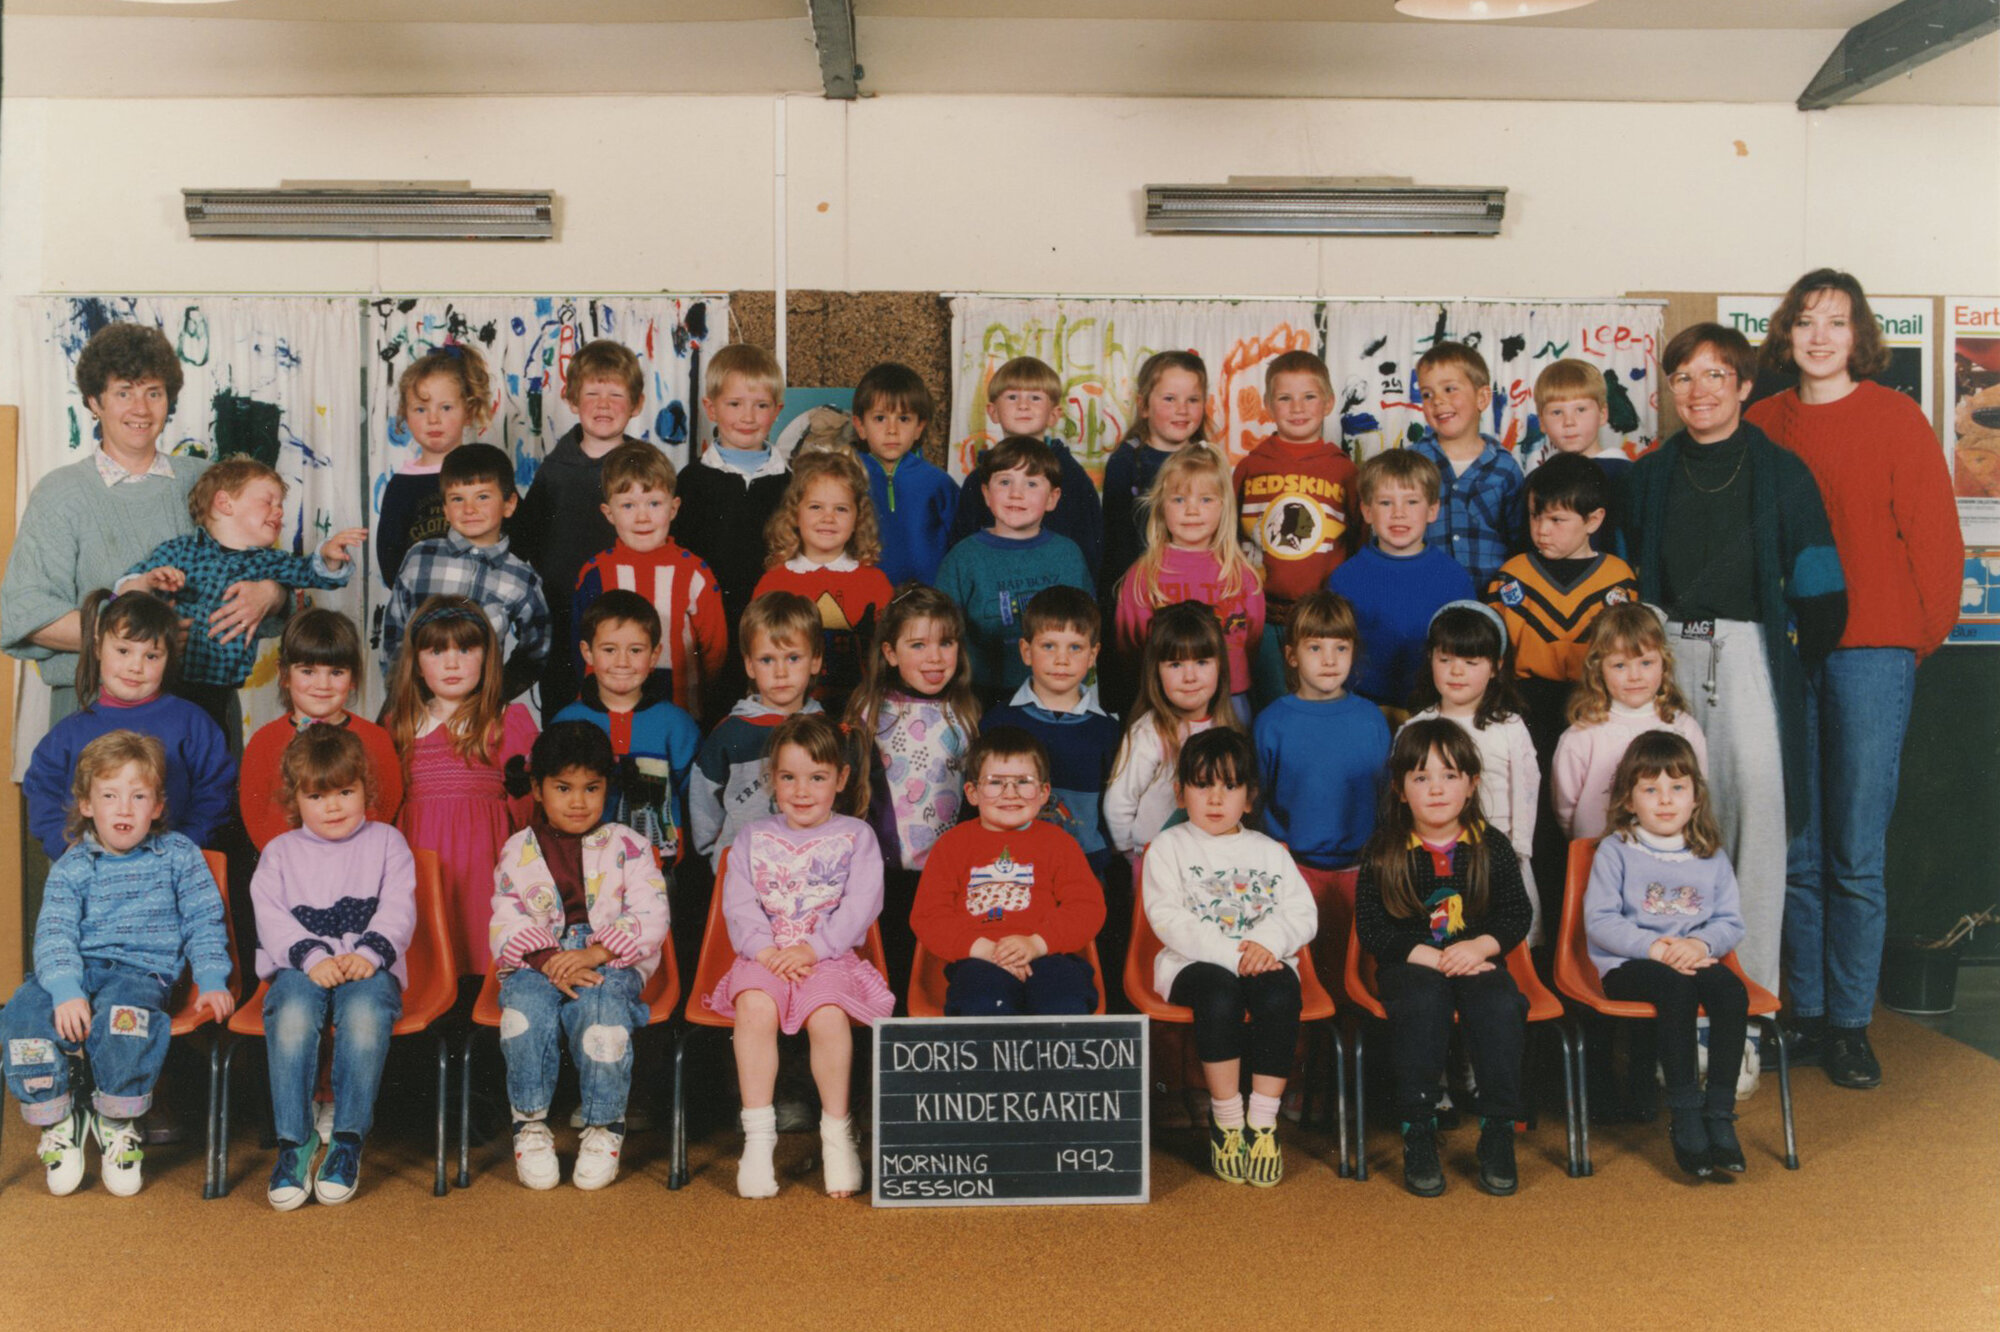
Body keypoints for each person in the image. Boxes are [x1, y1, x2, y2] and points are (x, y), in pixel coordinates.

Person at [1747, 269, 1965, 1088]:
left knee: (1855, 850)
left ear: (1858, 336)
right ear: (1787, 334)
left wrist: (1911, 641)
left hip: (1873, 648)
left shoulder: (1895, 417)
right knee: (1796, 845)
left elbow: (1938, 544)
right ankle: (1802, 1012)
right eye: (1805, 321)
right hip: (1784, 650)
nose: (1818, 336)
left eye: (1836, 323)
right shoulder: (1763, 422)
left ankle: (1848, 1022)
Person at [1623, 322, 1846, 1010]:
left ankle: (1743, 1012)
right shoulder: (1651, 474)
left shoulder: (1782, 471)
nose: (1698, 391)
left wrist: (1782, 662)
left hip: (1750, 651)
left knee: (1755, 829)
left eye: (1715, 375)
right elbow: (1629, 577)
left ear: (1745, 386)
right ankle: (1670, 1012)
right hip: (1663, 653)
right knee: (1661, 823)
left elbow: (1822, 592)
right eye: (1684, 376)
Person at [1, 322, 285, 728]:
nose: (140, 408)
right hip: (95, 714)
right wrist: (149, 634)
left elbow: (280, 588)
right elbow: (25, 614)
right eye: (123, 393)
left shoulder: (209, 481)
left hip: (200, 713)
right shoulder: (60, 493)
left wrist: (269, 593)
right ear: (94, 401)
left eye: (153, 393)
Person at [0, 731, 233, 1197]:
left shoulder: (178, 857)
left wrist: (211, 977)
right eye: (110, 795)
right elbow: (54, 932)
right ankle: (59, 1119)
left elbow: (205, 921)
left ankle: (115, 1119)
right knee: (22, 1017)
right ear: (87, 804)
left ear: (158, 806)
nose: (124, 809)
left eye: (138, 796)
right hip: (75, 968)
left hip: (140, 973)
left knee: (127, 1022)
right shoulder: (73, 864)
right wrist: (65, 988)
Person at [707, 713, 894, 1199]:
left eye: (817, 778)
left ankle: (837, 1135)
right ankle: (758, 1140)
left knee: (828, 1014)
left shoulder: (857, 836)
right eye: (789, 777)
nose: (802, 791)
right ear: (773, 779)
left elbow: (861, 905)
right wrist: (767, 951)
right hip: (765, 955)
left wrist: (812, 947)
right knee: (754, 1007)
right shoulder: (753, 837)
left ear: (841, 779)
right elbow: (740, 904)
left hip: (827, 956)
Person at [1355, 719, 1532, 1199]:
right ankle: (1418, 1129)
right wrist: (1429, 959)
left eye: (1450, 776)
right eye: (1420, 778)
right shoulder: (1384, 849)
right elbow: (1373, 928)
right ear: (1400, 789)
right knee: (1422, 1006)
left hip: (1477, 961)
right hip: (1412, 966)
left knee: (1501, 1005)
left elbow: (1517, 913)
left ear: (1472, 784)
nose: (1436, 789)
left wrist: (1480, 947)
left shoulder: (1490, 845)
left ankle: (1497, 1129)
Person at [490, 723, 670, 1192]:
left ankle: (603, 1127)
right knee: (524, 1015)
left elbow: (651, 912)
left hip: (609, 960)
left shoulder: (628, 845)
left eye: (592, 788)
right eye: (563, 788)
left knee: (602, 1015)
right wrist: (548, 958)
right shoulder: (517, 849)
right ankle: (528, 1124)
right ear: (537, 788)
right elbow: (505, 914)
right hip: (538, 961)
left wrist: (597, 951)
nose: (578, 802)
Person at [251, 725, 416, 1209]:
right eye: (319, 795)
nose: (335, 805)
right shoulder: (280, 853)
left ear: (367, 789)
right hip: (300, 965)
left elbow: (399, 908)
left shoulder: (387, 842)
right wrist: (313, 958)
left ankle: (346, 1140)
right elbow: (271, 917)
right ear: (296, 800)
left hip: (370, 964)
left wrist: (368, 954)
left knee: (365, 1019)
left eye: (347, 791)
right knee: (294, 1018)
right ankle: (295, 1142)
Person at [1143, 728, 1316, 1187]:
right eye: (1203, 785)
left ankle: (1262, 1121)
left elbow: (1302, 912)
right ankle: (1227, 1122)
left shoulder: (1269, 852)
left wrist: (1269, 944)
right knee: (1218, 996)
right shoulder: (1169, 847)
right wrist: (1232, 955)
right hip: (1191, 965)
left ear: (1250, 797)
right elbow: (1168, 918)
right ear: (1181, 792)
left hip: (1264, 961)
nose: (1216, 799)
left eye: (1230, 786)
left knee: (1280, 993)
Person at [1584, 731, 1749, 1179]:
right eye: (1650, 789)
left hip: (1696, 958)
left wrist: (1699, 945)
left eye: (1677, 788)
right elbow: (1600, 921)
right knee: (1674, 992)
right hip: (1628, 963)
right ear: (1629, 799)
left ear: (1696, 798)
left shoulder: (1709, 855)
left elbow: (1731, 921)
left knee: (1732, 993)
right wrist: (1656, 947)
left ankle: (1719, 1112)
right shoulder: (1617, 850)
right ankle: (1685, 1113)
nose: (1664, 800)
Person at [116, 456, 364, 730]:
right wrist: (149, 581)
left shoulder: (269, 561)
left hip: (219, 693)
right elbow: (125, 589)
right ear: (224, 503)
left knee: (211, 760)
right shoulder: (180, 550)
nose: (279, 511)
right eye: (268, 501)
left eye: (281, 505)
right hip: (163, 682)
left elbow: (309, 572)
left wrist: (330, 558)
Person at [385, 596, 538, 975]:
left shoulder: (506, 721)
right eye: (436, 651)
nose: (451, 663)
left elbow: (529, 810)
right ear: (417, 664)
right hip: (420, 860)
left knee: (481, 955)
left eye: (466, 649)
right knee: (428, 959)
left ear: (486, 658)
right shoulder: (398, 726)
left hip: (484, 861)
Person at [24, 590, 234, 863]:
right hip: (91, 873)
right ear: (98, 647)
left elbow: (216, 793)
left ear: (169, 657)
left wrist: (183, 845)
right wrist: (68, 848)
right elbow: (43, 795)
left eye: (151, 656)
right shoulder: (67, 734)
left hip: (172, 869)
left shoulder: (194, 724)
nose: (135, 666)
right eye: (123, 651)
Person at [910, 727, 1106, 1016]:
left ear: (1043, 792)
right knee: (983, 1002)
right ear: (973, 793)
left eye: (1023, 782)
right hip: (978, 960)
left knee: (1063, 1000)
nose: (1010, 794)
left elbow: (1087, 906)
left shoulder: (1059, 843)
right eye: (995, 783)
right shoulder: (952, 844)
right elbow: (929, 915)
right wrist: (987, 951)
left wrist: (1037, 943)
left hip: (1048, 955)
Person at [846, 584, 981, 992]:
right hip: (886, 868)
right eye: (918, 645)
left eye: (946, 643)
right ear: (890, 653)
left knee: (940, 971)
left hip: (947, 871)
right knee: (893, 967)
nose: (935, 657)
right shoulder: (870, 710)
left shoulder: (967, 712)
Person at [512, 339, 648, 713]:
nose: (603, 404)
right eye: (592, 393)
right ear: (572, 401)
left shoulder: (646, 467)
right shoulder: (555, 470)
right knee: (565, 705)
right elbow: (525, 542)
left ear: (637, 405)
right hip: (563, 610)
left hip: (629, 611)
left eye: (616, 394)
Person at [1253, 591, 1390, 955]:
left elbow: (1385, 797)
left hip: (1360, 870)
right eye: (1315, 648)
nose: (1330, 660)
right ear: (1291, 656)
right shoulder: (1272, 723)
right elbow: (1257, 801)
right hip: (1294, 870)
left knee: (1354, 969)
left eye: (1341, 648)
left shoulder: (1371, 720)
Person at [1404, 603, 1543, 942]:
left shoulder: (1508, 726)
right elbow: (1406, 798)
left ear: (1495, 667)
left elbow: (1527, 789)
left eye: (1471, 662)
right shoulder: (1417, 726)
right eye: (1446, 660)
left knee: (1502, 936)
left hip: (1500, 854)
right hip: (1438, 859)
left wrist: (1518, 850)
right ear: (1431, 660)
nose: (1456, 672)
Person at [1234, 349, 1358, 709]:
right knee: (1272, 707)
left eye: (1309, 397)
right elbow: (1228, 536)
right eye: (1285, 398)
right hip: (1263, 614)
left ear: (1329, 402)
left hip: (1322, 617)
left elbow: (1360, 539)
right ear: (1268, 405)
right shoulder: (1252, 466)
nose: (1297, 408)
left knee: (1320, 706)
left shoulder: (1343, 470)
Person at [380, 442, 549, 702]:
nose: (469, 509)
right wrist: (401, 696)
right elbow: (394, 633)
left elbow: (537, 651)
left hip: (478, 718)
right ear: (445, 509)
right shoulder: (420, 557)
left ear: (509, 504)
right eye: (458, 499)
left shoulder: (521, 577)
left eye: (482, 497)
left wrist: (495, 695)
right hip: (412, 707)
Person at [572, 441, 729, 721]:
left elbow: (715, 651)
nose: (643, 516)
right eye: (628, 505)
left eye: (654, 503)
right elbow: (580, 645)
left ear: (673, 508)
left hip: (680, 711)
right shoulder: (596, 572)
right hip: (605, 712)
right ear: (609, 513)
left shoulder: (694, 572)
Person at [934, 434, 1091, 706]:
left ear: (1053, 498)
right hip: (980, 694)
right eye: (1005, 482)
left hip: (1055, 690)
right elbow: (941, 631)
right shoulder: (963, 557)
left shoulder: (1068, 555)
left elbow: (1087, 627)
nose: (1016, 494)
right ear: (986, 493)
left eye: (1031, 483)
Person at [1115, 443, 1266, 716]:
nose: (1192, 510)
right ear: (1161, 507)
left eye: (1206, 500)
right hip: (1163, 702)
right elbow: (1130, 646)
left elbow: (1253, 639)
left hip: (1230, 698)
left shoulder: (1241, 575)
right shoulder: (1143, 574)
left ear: (1224, 507)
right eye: (1179, 500)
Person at [981, 586, 1121, 877]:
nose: (1062, 659)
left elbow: (1113, 806)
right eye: (1049, 646)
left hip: (1085, 866)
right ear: (1026, 651)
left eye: (1075, 647)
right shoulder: (998, 722)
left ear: (1093, 654)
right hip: (1011, 865)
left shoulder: (1107, 729)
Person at [553, 591, 700, 865]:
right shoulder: (566, 723)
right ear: (587, 652)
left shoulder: (677, 724)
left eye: (635, 650)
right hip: (584, 862)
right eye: (609, 650)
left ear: (655, 654)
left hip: (659, 862)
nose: (622, 662)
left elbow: (694, 797)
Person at [240, 608, 402, 852]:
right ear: (283, 674)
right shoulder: (264, 741)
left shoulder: (376, 739)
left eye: (336, 672)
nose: (323, 685)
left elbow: (388, 802)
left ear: (354, 677)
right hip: (290, 870)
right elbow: (255, 817)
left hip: (359, 863)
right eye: (308, 671)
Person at [1327, 449, 1475, 718]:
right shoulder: (1344, 579)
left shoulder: (1454, 578)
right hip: (1360, 710)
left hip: (1433, 711)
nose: (1398, 514)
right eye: (1385, 503)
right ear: (1367, 510)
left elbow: (1469, 654)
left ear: (1432, 510)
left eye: (1411, 502)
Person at [751, 449, 895, 716]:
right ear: (795, 513)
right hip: (790, 714)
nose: (828, 518)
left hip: (859, 712)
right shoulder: (774, 582)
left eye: (841, 509)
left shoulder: (875, 582)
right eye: (816, 507)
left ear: (857, 519)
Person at [672, 343, 798, 647]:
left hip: (775, 628)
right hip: (706, 622)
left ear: (777, 411)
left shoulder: (793, 484)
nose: (748, 417)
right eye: (735, 404)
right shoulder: (690, 481)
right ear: (711, 408)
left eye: (761, 405)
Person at [691, 591, 826, 871]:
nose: (780, 672)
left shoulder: (827, 730)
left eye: (793, 658)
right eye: (767, 660)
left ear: (815, 661)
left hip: (810, 866)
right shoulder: (731, 732)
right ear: (749, 665)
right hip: (743, 867)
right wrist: (711, 847)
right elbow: (704, 793)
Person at [1551, 602, 1708, 842]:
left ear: (1664, 663)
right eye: (1620, 665)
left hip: (1668, 857)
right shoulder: (1581, 736)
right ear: (1598, 669)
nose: (1634, 676)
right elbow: (1565, 810)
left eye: (1646, 663)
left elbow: (1698, 792)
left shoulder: (1684, 728)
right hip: (1598, 857)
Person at [1105, 602, 1243, 866]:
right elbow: (1119, 801)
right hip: (1153, 856)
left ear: (1220, 667)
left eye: (1202, 662)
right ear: (1156, 671)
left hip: (1209, 857)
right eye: (1176, 664)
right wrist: (1130, 852)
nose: (1190, 677)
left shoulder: (1226, 729)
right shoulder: (1150, 732)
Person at [949, 355, 1103, 583]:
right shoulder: (979, 479)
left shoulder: (1071, 476)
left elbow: (1090, 547)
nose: (1023, 405)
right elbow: (961, 547)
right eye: (1012, 396)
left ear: (1054, 414)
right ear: (993, 411)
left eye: (1035, 398)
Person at [1409, 341, 1524, 591]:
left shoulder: (1505, 467)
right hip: (1425, 592)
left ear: (1482, 398)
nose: (1437, 401)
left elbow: (1519, 542)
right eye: (1427, 394)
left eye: (1450, 389)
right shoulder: (1411, 463)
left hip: (1489, 599)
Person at [377, 343, 494, 585]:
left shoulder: (486, 474)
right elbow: (390, 565)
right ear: (405, 415)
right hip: (422, 609)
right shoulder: (401, 485)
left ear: (469, 411)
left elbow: (519, 543)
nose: (433, 419)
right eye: (420, 409)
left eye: (446, 408)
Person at [1101, 351, 1211, 601]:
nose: (1182, 410)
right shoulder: (1125, 461)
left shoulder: (1207, 460)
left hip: (1196, 586)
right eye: (1170, 399)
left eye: (1193, 400)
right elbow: (1114, 543)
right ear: (1144, 406)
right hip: (1140, 588)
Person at [851, 361, 959, 588]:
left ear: (919, 427)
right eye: (880, 418)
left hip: (928, 602)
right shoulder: (847, 478)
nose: (892, 430)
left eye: (904, 419)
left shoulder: (938, 483)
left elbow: (961, 547)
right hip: (863, 598)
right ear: (860, 426)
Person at [1529, 359, 1632, 532]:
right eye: (1556, 412)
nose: (1569, 422)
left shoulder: (1627, 475)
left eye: (1581, 409)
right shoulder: (1534, 481)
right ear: (1542, 422)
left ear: (1602, 414)